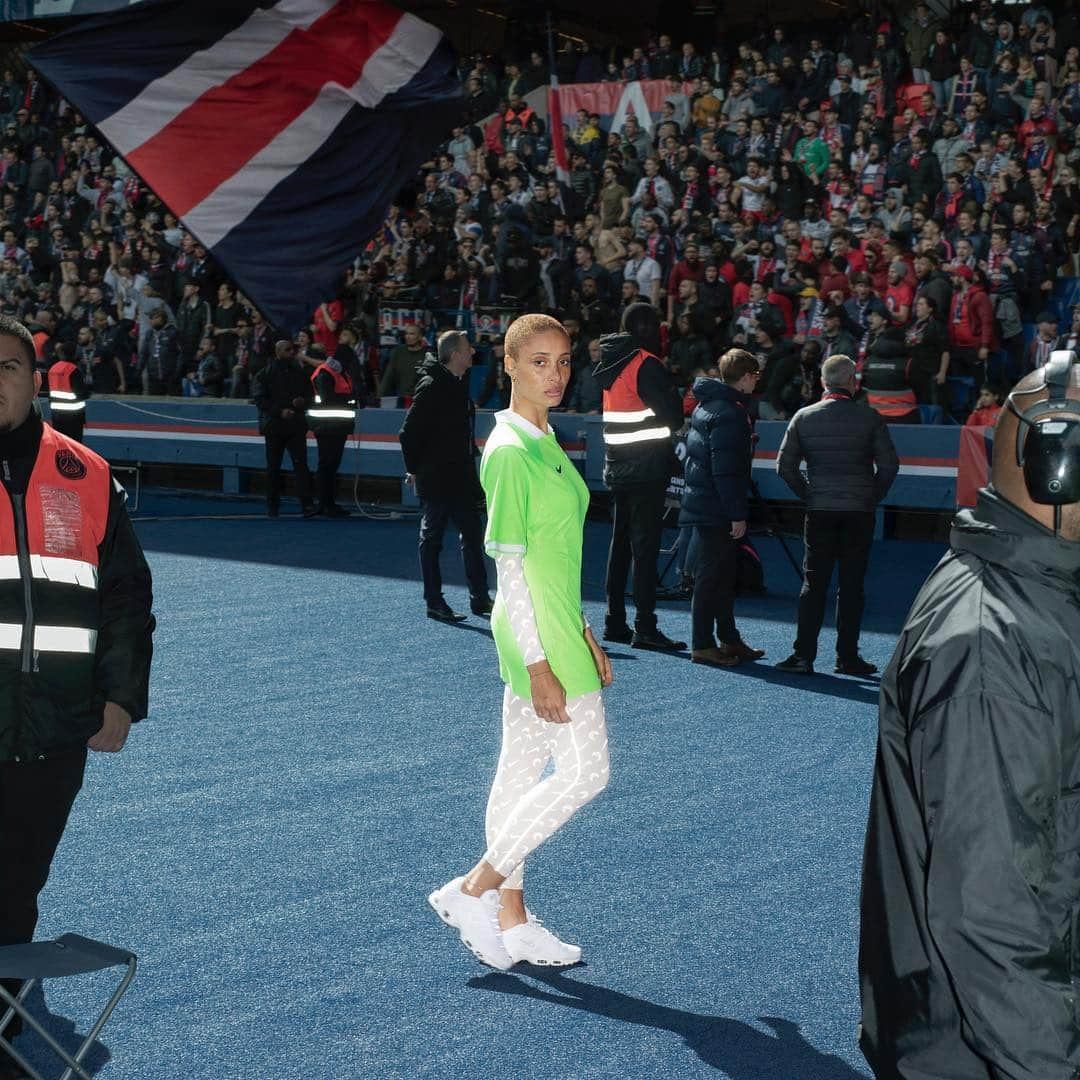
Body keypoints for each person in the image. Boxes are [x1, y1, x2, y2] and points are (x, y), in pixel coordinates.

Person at [859, 352, 1080, 1079]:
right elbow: (989, 923)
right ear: (1059, 469)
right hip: (986, 1052)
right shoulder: (991, 647)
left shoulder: (1033, 589)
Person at [427, 313, 613, 970]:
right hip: (536, 633)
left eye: (563, 361)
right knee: (589, 772)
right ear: (507, 366)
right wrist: (539, 662)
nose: (555, 374)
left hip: (558, 623)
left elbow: (556, 555)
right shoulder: (509, 449)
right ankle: (471, 890)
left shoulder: (545, 437)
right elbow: (510, 564)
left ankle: (512, 919)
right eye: (538, 361)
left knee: (518, 776)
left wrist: (588, 631)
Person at [0, 314, 153, 1056]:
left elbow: (125, 595)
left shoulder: (84, 473)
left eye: (7, 366)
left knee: (17, 885)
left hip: (57, 727)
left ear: (36, 381)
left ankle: (5, 1024)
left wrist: (121, 696)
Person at [775, 355, 899, 675]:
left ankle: (803, 656)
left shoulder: (803, 417)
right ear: (853, 382)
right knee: (852, 584)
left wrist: (810, 494)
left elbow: (784, 468)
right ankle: (847, 657)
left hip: (820, 510)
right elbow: (889, 466)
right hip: (859, 510)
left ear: (822, 382)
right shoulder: (870, 417)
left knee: (813, 583)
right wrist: (871, 495)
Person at [593, 302, 686, 651]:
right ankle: (645, 626)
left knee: (619, 546)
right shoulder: (646, 364)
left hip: (617, 466)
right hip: (647, 467)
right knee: (644, 549)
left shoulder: (610, 362)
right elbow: (673, 416)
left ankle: (614, 621)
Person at [680, 348, 766, 669]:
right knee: (711, 576)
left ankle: (727, 638)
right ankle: (703, 643)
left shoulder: (710, 405)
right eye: (755, 375)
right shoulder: (730, 412)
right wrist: (736, 514)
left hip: (704, 500)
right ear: (744, 377)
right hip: (716, 506)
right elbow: (726, 469)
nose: (756, 381)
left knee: (721, 573)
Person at [398, 330, 492, 622]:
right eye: (468, 349)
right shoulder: (433, 385)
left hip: (460, 475)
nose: (473, 353)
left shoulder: (457, 380)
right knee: (432, 537)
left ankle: (480, 597)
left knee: (473, 536)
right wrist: (413, 468)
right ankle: (434, 601)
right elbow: (408, 432)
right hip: (437, 477)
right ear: (454, 355)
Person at [251, 340, 315, 519]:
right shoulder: (266, 374)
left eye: (293, 350)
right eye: (288, 350)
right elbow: (259, 399)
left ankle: (305, 503)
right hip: (276, 426)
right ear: (278, 351)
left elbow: (311, 395)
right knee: (274, 467)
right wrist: (280, 411)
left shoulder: (298, 373)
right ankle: (274, 505)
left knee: (299, 465)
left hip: (292, 425)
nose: (292, 353)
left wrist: (303, 402)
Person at [307, 343, 357, 518]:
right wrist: (351, 399)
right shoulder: (325, 372)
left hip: (337, 425)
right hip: (326, 426)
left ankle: (328, 503)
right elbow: (328, 398)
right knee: (327, 465)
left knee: (331, 465)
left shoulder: (339, 372)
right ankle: (324, 503)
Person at [45, 341, 89, 443]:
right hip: (73, 416)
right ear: (74, 353)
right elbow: (81, 394)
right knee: (74, 444)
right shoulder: (73, 369)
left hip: (56, 414)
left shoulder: (53, 368)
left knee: (60, 443)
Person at [378, 323, 430, 406]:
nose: (408, 337)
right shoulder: (398, 352)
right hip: (402, 401)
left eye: (412, 334)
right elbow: (388, 376)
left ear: (420, 336)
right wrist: (379, 397)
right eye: (406, 334)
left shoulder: (428, 354)